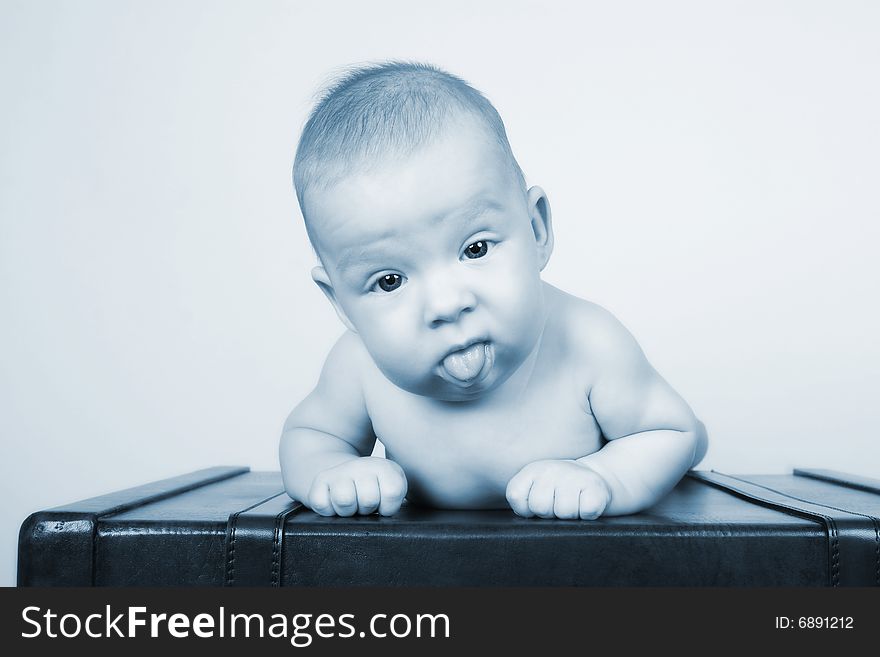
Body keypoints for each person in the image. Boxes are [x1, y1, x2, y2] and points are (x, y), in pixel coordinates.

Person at [280, 62, 707, 520]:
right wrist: (334, 472)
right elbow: (311, 436)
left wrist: (603, 477)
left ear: (536, 228)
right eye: (390, 281)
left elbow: (675, 433)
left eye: (475, 248)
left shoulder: (586, 340)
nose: (446, 304)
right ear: (340, 302)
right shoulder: (358, 366)